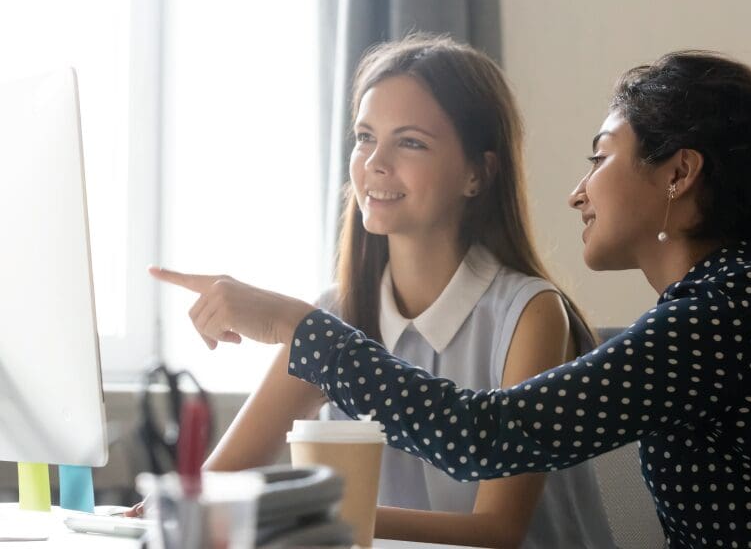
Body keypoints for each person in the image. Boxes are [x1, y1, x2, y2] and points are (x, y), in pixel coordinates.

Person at [148, 35, 614, 548]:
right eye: (365, 137)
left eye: (410, 142)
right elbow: (216, 484)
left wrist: (309, 514)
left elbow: (494, 533)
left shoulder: (529, 314)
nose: (375, 161)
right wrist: (149, 515)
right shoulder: (337, 315)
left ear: (477, 174)